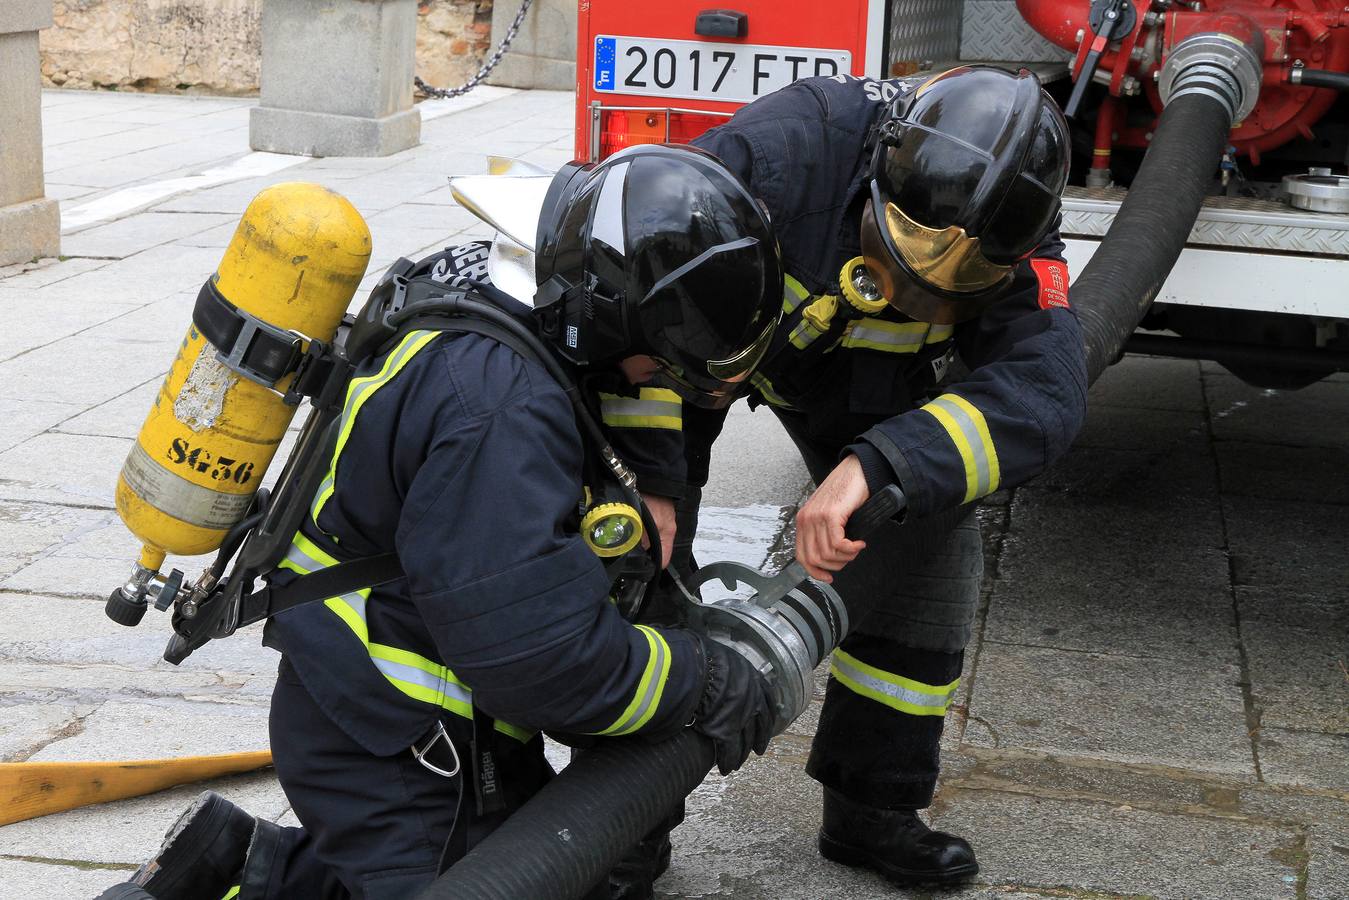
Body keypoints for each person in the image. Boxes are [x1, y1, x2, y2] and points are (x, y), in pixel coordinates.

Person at [105, 143, 783, 900]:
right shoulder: (499, 410)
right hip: (399, 733)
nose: (656, 383)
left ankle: (232, 867)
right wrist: (705, 679)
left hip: (414, 698)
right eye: (657, 364)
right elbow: (545, 662)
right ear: (609, 314)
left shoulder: (503, 281)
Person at [647, 65, 1088, 887]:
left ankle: (870, 807)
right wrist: (654, 481)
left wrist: (884, 463)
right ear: (881, 172)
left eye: (956, 291)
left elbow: (1047, 389)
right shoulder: (777, 156)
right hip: (696, 367)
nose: (926, 298)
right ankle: (633, 818)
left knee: (934, 544)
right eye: (909, 262)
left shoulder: (1017, 221)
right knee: (643, 562)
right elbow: (642, 298)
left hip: (874, 408)